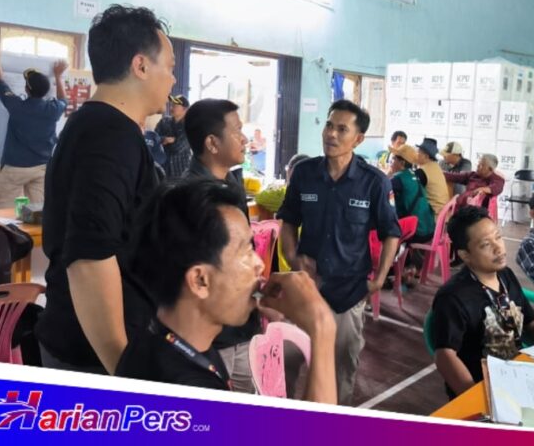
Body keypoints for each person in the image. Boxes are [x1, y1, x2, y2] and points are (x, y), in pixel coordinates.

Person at [36, 5, 175, 374]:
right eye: (170, 67)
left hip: (85, 342)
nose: (173, 80)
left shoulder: (96, 125)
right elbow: (89, 257)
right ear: (140, 66)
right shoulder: (111, 136)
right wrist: (122, 366)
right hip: (92, 356)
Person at [115, 179, 337, 403]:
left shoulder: (158, 342)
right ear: (200, 281)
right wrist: (322, 327)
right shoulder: (186, 394)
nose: (259, 264)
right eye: (246, 251)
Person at [278, 99, 401, 405]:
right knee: (284, 363)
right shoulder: (304, 173)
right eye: (329, 125)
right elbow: (288, 221)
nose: (331, 134)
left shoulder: (374, 182)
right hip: (305, 290)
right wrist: (292, 258)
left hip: (347, 293)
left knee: (340, 372)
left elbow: (391, 233)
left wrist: (379, 280)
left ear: (358, 139)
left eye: (342, 129)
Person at [432, 206, 534, 398]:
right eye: (485, 245)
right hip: (485, 386)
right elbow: (445, 356)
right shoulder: (453, 297)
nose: (498, 248)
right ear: (465, 255)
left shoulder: (505, 275)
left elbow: (533, 323)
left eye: (498, 237)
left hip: (519, 374)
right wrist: (477, 399)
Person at [183, 98, 262, 393]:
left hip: (241, 327)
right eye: (237, 131)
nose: (244, 138)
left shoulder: (230, 184)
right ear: (212, 143)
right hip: (214, 337)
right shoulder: (191, 197)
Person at [0, 46, 68, 208]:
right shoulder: (53, 110)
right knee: (38, 212)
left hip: (15, 169)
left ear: (26, 89)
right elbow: (63, 100)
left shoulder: (16, 106)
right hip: (41, 168)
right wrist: (58, 76)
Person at [390, 145, 435, 243]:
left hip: (416, 232)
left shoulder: (398, 179)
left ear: (402, 163)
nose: (391, 162)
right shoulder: (413, 174)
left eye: (393, 159)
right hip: (429, 228)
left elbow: (380, 191)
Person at [155, 94, 192, 180]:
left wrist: (162, 141)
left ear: (185, 109)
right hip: (162, 167)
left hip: (180, 169)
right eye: (171, 105)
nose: (171, 108)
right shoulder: (164, 121)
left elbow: (177, 148)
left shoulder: (189, 126)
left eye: (175, 106)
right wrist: (165, 139)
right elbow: (154, 139)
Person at [414, 137, 450, 216]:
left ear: (426, 156)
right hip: (442, 213)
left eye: (418, 152)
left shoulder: (422, 171)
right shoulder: (436, 167)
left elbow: (410, 191)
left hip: (432, 215)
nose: (416, 154)